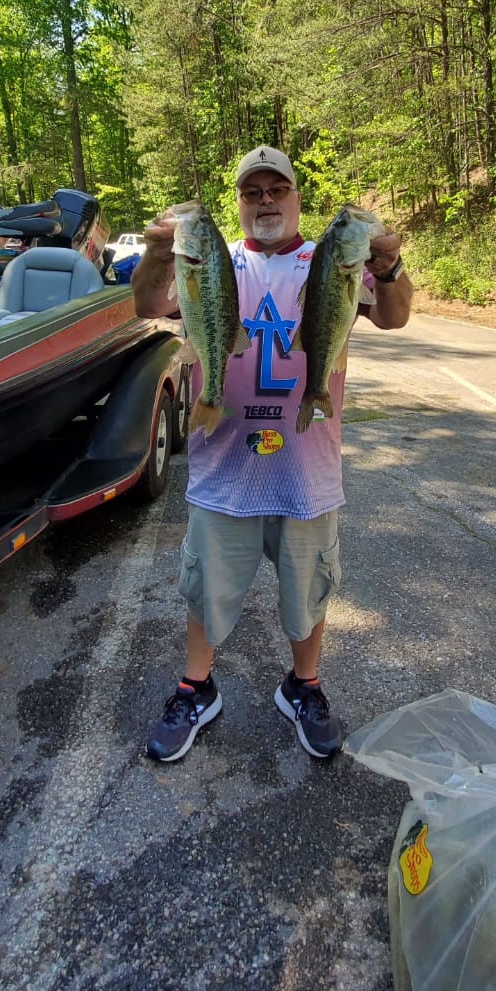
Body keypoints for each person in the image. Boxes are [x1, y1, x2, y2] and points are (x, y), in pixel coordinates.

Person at [131, 145, 413, 763]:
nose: (265, 202)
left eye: (276, 190)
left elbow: (393, 318)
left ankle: (303, 686)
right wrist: (157, 253)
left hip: (306, 468)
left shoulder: (330, 260)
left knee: (308, 590)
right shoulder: (212, 260)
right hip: (222, 467)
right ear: (238, 203)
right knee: (205, 590)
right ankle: (195, 687)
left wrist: (388, 268)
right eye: (252, 192)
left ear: (296, 198)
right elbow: (150, 305)